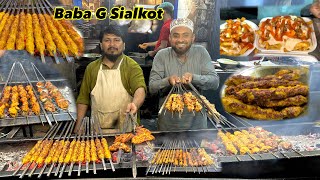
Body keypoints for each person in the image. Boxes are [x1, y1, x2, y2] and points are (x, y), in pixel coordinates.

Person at [149, 18, 219, 131]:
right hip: (168, 123)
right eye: (176, 36)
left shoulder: (201, 53)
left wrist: (194, 78)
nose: (180, 40)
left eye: (185, 35)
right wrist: (167, 81)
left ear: (193, 38)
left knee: (197, 149)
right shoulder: (161, 55)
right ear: (170, 38)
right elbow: (152, 87)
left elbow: (214, 82)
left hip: (197, 124)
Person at [75, 25, 147, 133]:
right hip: (98, 133)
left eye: (116, 40)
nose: (112, 44)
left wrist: (135, 104)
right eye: (107, 40)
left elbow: (140, 89)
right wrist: (78, 125)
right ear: (101, 45)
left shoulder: (132, 66)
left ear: (123, 45)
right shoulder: (92, 68)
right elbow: (83, 99)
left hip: (126, 132)